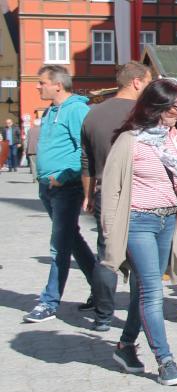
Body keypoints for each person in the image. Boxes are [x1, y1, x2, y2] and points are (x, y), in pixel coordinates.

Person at [100, 79, 177, 386]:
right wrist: (109, 233)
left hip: (166, 222)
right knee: (153, 293)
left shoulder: (173, 140)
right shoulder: (130, 141)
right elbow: (112, 189)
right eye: (173, 105)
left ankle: (126, 345)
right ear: (155, 106)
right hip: (138, 222)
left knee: (144, 290)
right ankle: (165, 360)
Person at [79, 61, 152, 331]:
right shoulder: (143, 114)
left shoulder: (93, 114)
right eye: (148, 80)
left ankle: (103, 316)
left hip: (103, 192)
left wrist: (88, 195)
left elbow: (85, 160)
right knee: (140, 257)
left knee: (106, 253)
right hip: (140, 192)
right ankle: (138, 314)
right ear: (136, 82)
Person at [23, 66, 97, 323]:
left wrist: (64, 176)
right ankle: (100, 290)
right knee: (71, 240)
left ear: (57, 85)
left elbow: (85, 150)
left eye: (41, 82)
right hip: (48, 186)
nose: (37, 86)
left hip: (66, 187)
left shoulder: (77, 110)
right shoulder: (51, 111)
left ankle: (49, 302)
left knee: (59, 246)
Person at [25, 115, 41, 181]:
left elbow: (26, 141)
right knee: (40, 164)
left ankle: (34, 178)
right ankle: (40, 177)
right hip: (41, 150)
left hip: (31, 150)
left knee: (33, 165)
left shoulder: (29, 130)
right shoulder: (43, 130)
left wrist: (25, 149)